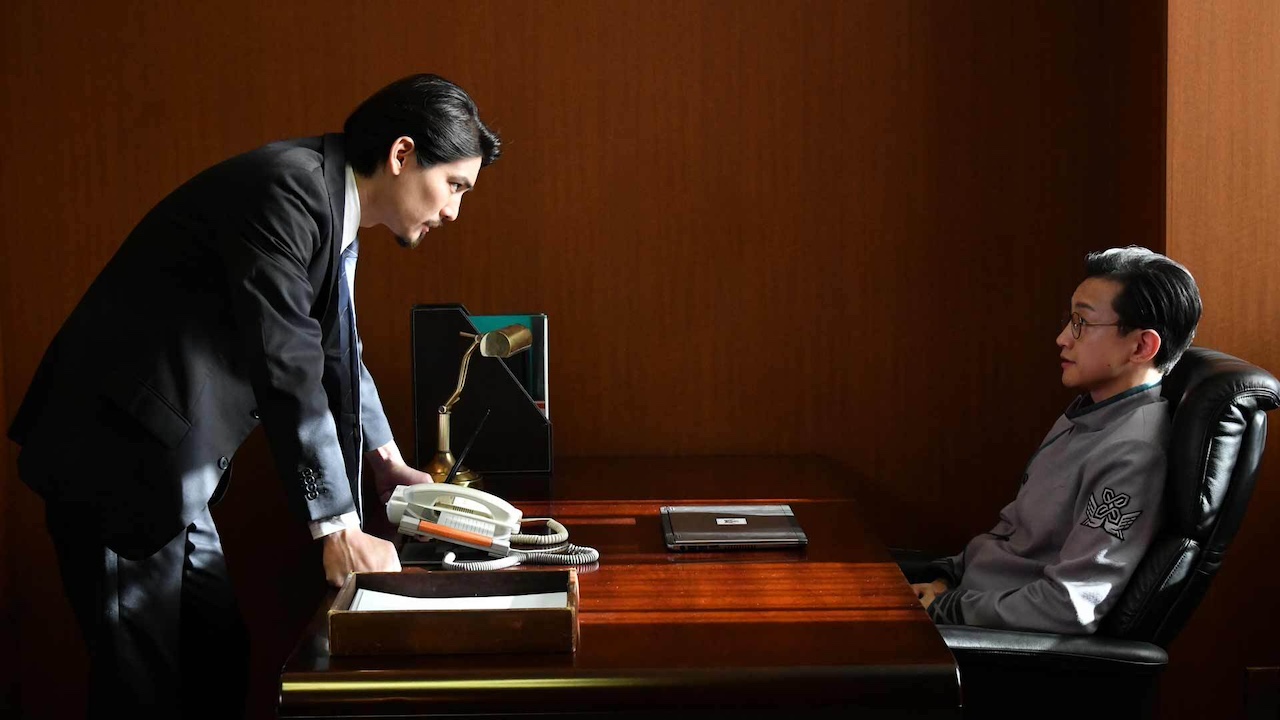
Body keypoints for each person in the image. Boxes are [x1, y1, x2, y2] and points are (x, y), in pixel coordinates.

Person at [6, 73, 500, 717]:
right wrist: (337, 526)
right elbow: (287, 361)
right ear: (402, 154)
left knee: (219, 660)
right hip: (115, 460)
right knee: (142, 688)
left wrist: (386, 463)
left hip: (176, 472)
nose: (454, 211)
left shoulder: (329, 205)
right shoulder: (287, 190)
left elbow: (336, 353)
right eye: (455, 185)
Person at [910, 246, 1202, 634]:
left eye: (1082, 323)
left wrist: (948, 608)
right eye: (1069, 320)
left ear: (1141, 347)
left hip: (989, 636)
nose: (1063, 338)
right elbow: (1014, 537)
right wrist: (944, 580)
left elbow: (1070, 604)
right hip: (966, 599)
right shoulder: (1089, 411)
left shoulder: (1134, 453)